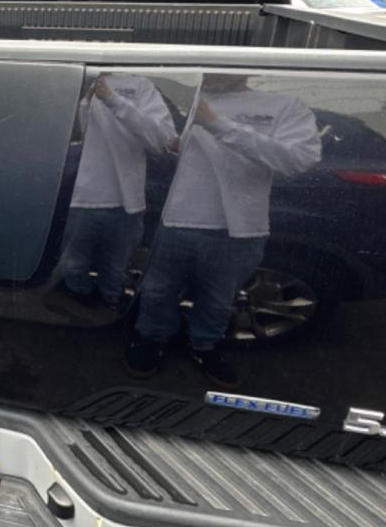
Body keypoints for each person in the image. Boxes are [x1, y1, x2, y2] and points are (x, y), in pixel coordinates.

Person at [125, 73, 321, 385]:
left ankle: (203, 345)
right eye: (206, 69)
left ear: (244, 67)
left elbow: (300, 160)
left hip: (239, 229)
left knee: (217, 300)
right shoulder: (194, 97)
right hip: (177, 221)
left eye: (221, 67)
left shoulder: (283, 105)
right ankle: (151, 338)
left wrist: (218, 124)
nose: (210, 73)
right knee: (157, 292)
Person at [56, 74, 176, 308]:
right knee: (71, 268)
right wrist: (88, 101)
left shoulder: (141, 85)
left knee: (114, 274)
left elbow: (163, 138)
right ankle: (81, 315)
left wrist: (112, 99)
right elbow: (81, 133)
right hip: (83, 200)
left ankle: (106, 320)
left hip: (127, 205)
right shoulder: (86, 77)